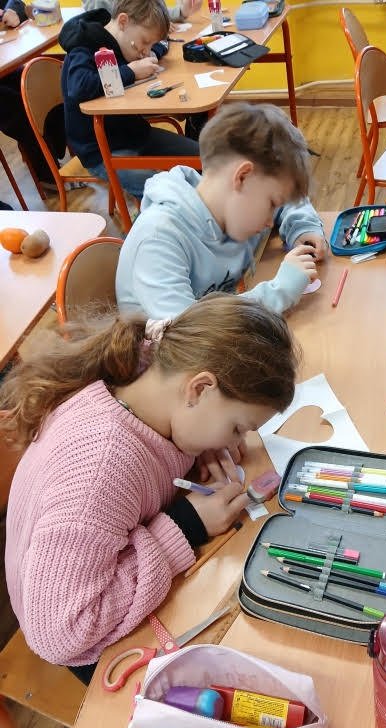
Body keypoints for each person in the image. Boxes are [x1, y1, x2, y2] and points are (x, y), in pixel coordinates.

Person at [1, 293, 299, 682]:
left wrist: (199, 447)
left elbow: (154, 457)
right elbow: (59, 635)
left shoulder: (152, 373)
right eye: (236, 427)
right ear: (199, 389)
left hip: (100, 565)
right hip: (86, 633)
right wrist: (186, 525)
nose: (237, 441)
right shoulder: (103, 466)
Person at [116, 102, 328, 318]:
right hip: (176, 338)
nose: (269, 221)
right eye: (271, 204)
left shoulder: (229, 204)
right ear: (242, 177)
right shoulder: (158, 238)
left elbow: (285, 198)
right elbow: (190, 329)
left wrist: (302, 227)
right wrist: (279, 291)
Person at [58, 0, 200, 200]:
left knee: (205, 158)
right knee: (165, 193)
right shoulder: (85, 45)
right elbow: (79, 87)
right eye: (144, 42)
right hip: (100, 151)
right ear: (123, 22)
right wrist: (130, 72)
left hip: (135, 134)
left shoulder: (126, 41)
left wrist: (151, 52)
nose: (145, 50)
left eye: (150, 45)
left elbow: (159, 44)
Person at [0, 0, 64, 187]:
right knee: (17, 106)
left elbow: (16, 2)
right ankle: (48, 175)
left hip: (5, 64)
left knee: (39, 78)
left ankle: (55, 148)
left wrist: (11, 11)